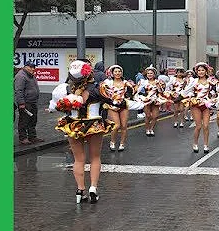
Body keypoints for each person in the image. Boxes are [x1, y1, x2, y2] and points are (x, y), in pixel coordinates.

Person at [48, 60, 116, 204]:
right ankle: (93, 188)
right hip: (94, 124)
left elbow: (54, 107)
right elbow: (114, 101)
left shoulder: (64, 89)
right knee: (95, 158)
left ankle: (80, 190)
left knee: (78, 159)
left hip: (73, 124)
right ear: (89, 73)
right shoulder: (99, 88)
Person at [181, 62, 217, 153]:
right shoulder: (193, 81)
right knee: (198, 126)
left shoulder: (211, 81)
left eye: (202, 70)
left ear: (206, 71)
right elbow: (186, 91)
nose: (200, 72)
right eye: (199, 70)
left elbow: (215, 92)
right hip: (196, 105)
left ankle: (206, 145)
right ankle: (195, 143)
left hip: (206, 105)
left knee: (206, 126)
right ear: (196, 71)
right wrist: (190, 96)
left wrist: (213, 98)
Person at [100, 65, 136, 151]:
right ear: (112, 73)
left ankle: (122, 143)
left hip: (123, 105)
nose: (117, 73)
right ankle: (112, 142)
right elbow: (102, 91)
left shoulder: (126, 82)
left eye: (119, 71)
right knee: (116, 126)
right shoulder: (107, 82)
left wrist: (129, 97)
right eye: (115, 71)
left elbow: (133, 91)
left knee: (124, 126)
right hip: (112, 106)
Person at [14, 61, 44, 145]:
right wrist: (21, 103)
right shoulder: (21, 76)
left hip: (33, 101)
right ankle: (23, 138)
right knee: (24, 120)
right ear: (26, 67)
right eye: (31, 67)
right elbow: (18, 91)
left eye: (34, 67)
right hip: (26, 102)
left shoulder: (31, 75)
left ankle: (32, 137)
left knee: (33, 120)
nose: (33, 69)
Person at [136, 66, 168, 136]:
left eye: (151, 73)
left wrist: (158, 86)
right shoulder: (143, 82)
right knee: (148, 116)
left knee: (155, 116)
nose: (149, 74)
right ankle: (147, 129)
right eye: (148, 73)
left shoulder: (159, 82)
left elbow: (161, 91)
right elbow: (137, 90)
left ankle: (151, 129)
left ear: (154, 74)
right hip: (147, 100)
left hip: (156, 100)